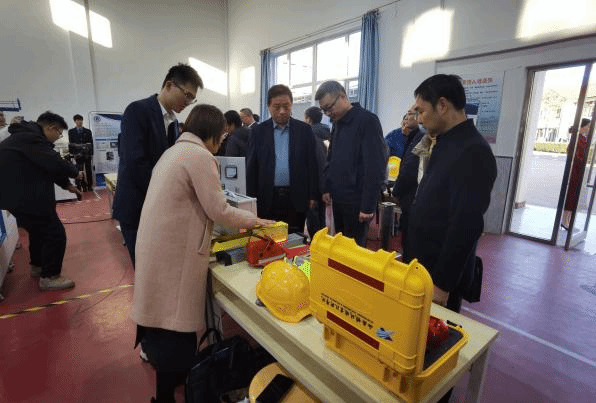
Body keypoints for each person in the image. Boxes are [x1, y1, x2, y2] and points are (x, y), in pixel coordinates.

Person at [130, 104, 274, 403]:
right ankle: (166, 396)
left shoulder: (173, 152)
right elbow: (218, 210)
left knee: (161, 324)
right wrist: (254, 220)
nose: (222, 140)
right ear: (214, 133)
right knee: (176, 332)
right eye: (222, 135)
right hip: (174, 254)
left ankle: (164, 391)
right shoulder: (200, 156)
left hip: (157, 247)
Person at [405, 74, 497, 313]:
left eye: (422, 111)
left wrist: (442, 284)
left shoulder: (473, 151)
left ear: (443, 105)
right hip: (422, 262)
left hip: (438, 273)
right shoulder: (443, 141)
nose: (419, 119)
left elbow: (466, 224)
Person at [112, 63, 203, 267]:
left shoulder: (173, 122)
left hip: (158, 206)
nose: (188, 102)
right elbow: (135, 161)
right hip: (137, 205)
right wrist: (164, 192)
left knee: (158, 267)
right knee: (144, 268)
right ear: (169, 85)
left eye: (192, 98)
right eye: (187, 95)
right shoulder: (138, 110)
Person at [0, 111, 83, 290]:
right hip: (22, 195)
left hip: (18, 194)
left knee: (37, 231)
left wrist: (67, 184)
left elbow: (45, 166)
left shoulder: (27, 136)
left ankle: (37, 266)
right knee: (54, 233)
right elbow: (53, 161)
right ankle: (50, 276)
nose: (59, 137)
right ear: (51, 128)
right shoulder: (31, 138)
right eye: (59, 133)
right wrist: (76, 172)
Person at [315, 80, 387, 247]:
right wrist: (326, 186)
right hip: (339, 197)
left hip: (357, 200)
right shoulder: (337, 123)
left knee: (354, 250)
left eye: (329, 107)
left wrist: (368, 205)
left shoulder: (367, 120)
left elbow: (375, 165)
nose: (328, 113)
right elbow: (331, 157)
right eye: (324, 110)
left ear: (343, 97)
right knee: (340, 245)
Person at [247, 84, 319, 234]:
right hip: (267, 197)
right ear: (268, 106)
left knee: (294, 238)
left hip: (297, 196)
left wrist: (313, 195)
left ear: (291, 105)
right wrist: (250, 199)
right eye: (277, 107)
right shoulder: (258, 132)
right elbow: (252, 167)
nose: (282, 111)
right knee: (268, 238)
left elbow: (312, 164)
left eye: (286, 106)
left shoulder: (304, 130)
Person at [391, 105, 425, 255]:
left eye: (411, 114)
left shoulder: (422, 137)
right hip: (411, 198)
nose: (407, 117)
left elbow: (410, 168)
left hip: (413, 198)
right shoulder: (413, 135)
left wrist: (396, 191)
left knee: (411, 246)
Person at [304, 106, 330, 239]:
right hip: (324, 183)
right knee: (321, 218)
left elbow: (315, 165)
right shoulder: (328, 134)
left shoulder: (310, 137)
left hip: (312, 186)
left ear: (308, 119)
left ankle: (316, 245)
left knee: (313, 220)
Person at [561, 118, 591, 230]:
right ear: (582, 127)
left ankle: (567, 220)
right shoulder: (577, 138)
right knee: (571, 195)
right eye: (588, 126)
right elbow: (573, 153)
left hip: (579, 170)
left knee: (574, 196)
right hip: (575, 170)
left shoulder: (583, 137)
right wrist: (581, 162)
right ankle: (564, 220)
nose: (589, 129)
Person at [68, 114, 94, 191]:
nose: (80, 122)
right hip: (77, 154)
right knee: (80, 170)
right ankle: (83, 186)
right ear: (75, 121)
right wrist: (72, 153)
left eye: (81, 120)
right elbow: (71, 143)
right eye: (78, 120)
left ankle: (90, 186)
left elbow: (91, 143)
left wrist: (91, 153)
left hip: (87, 154)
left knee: (88, 170)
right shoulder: (71, 131)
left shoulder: (88, 131)